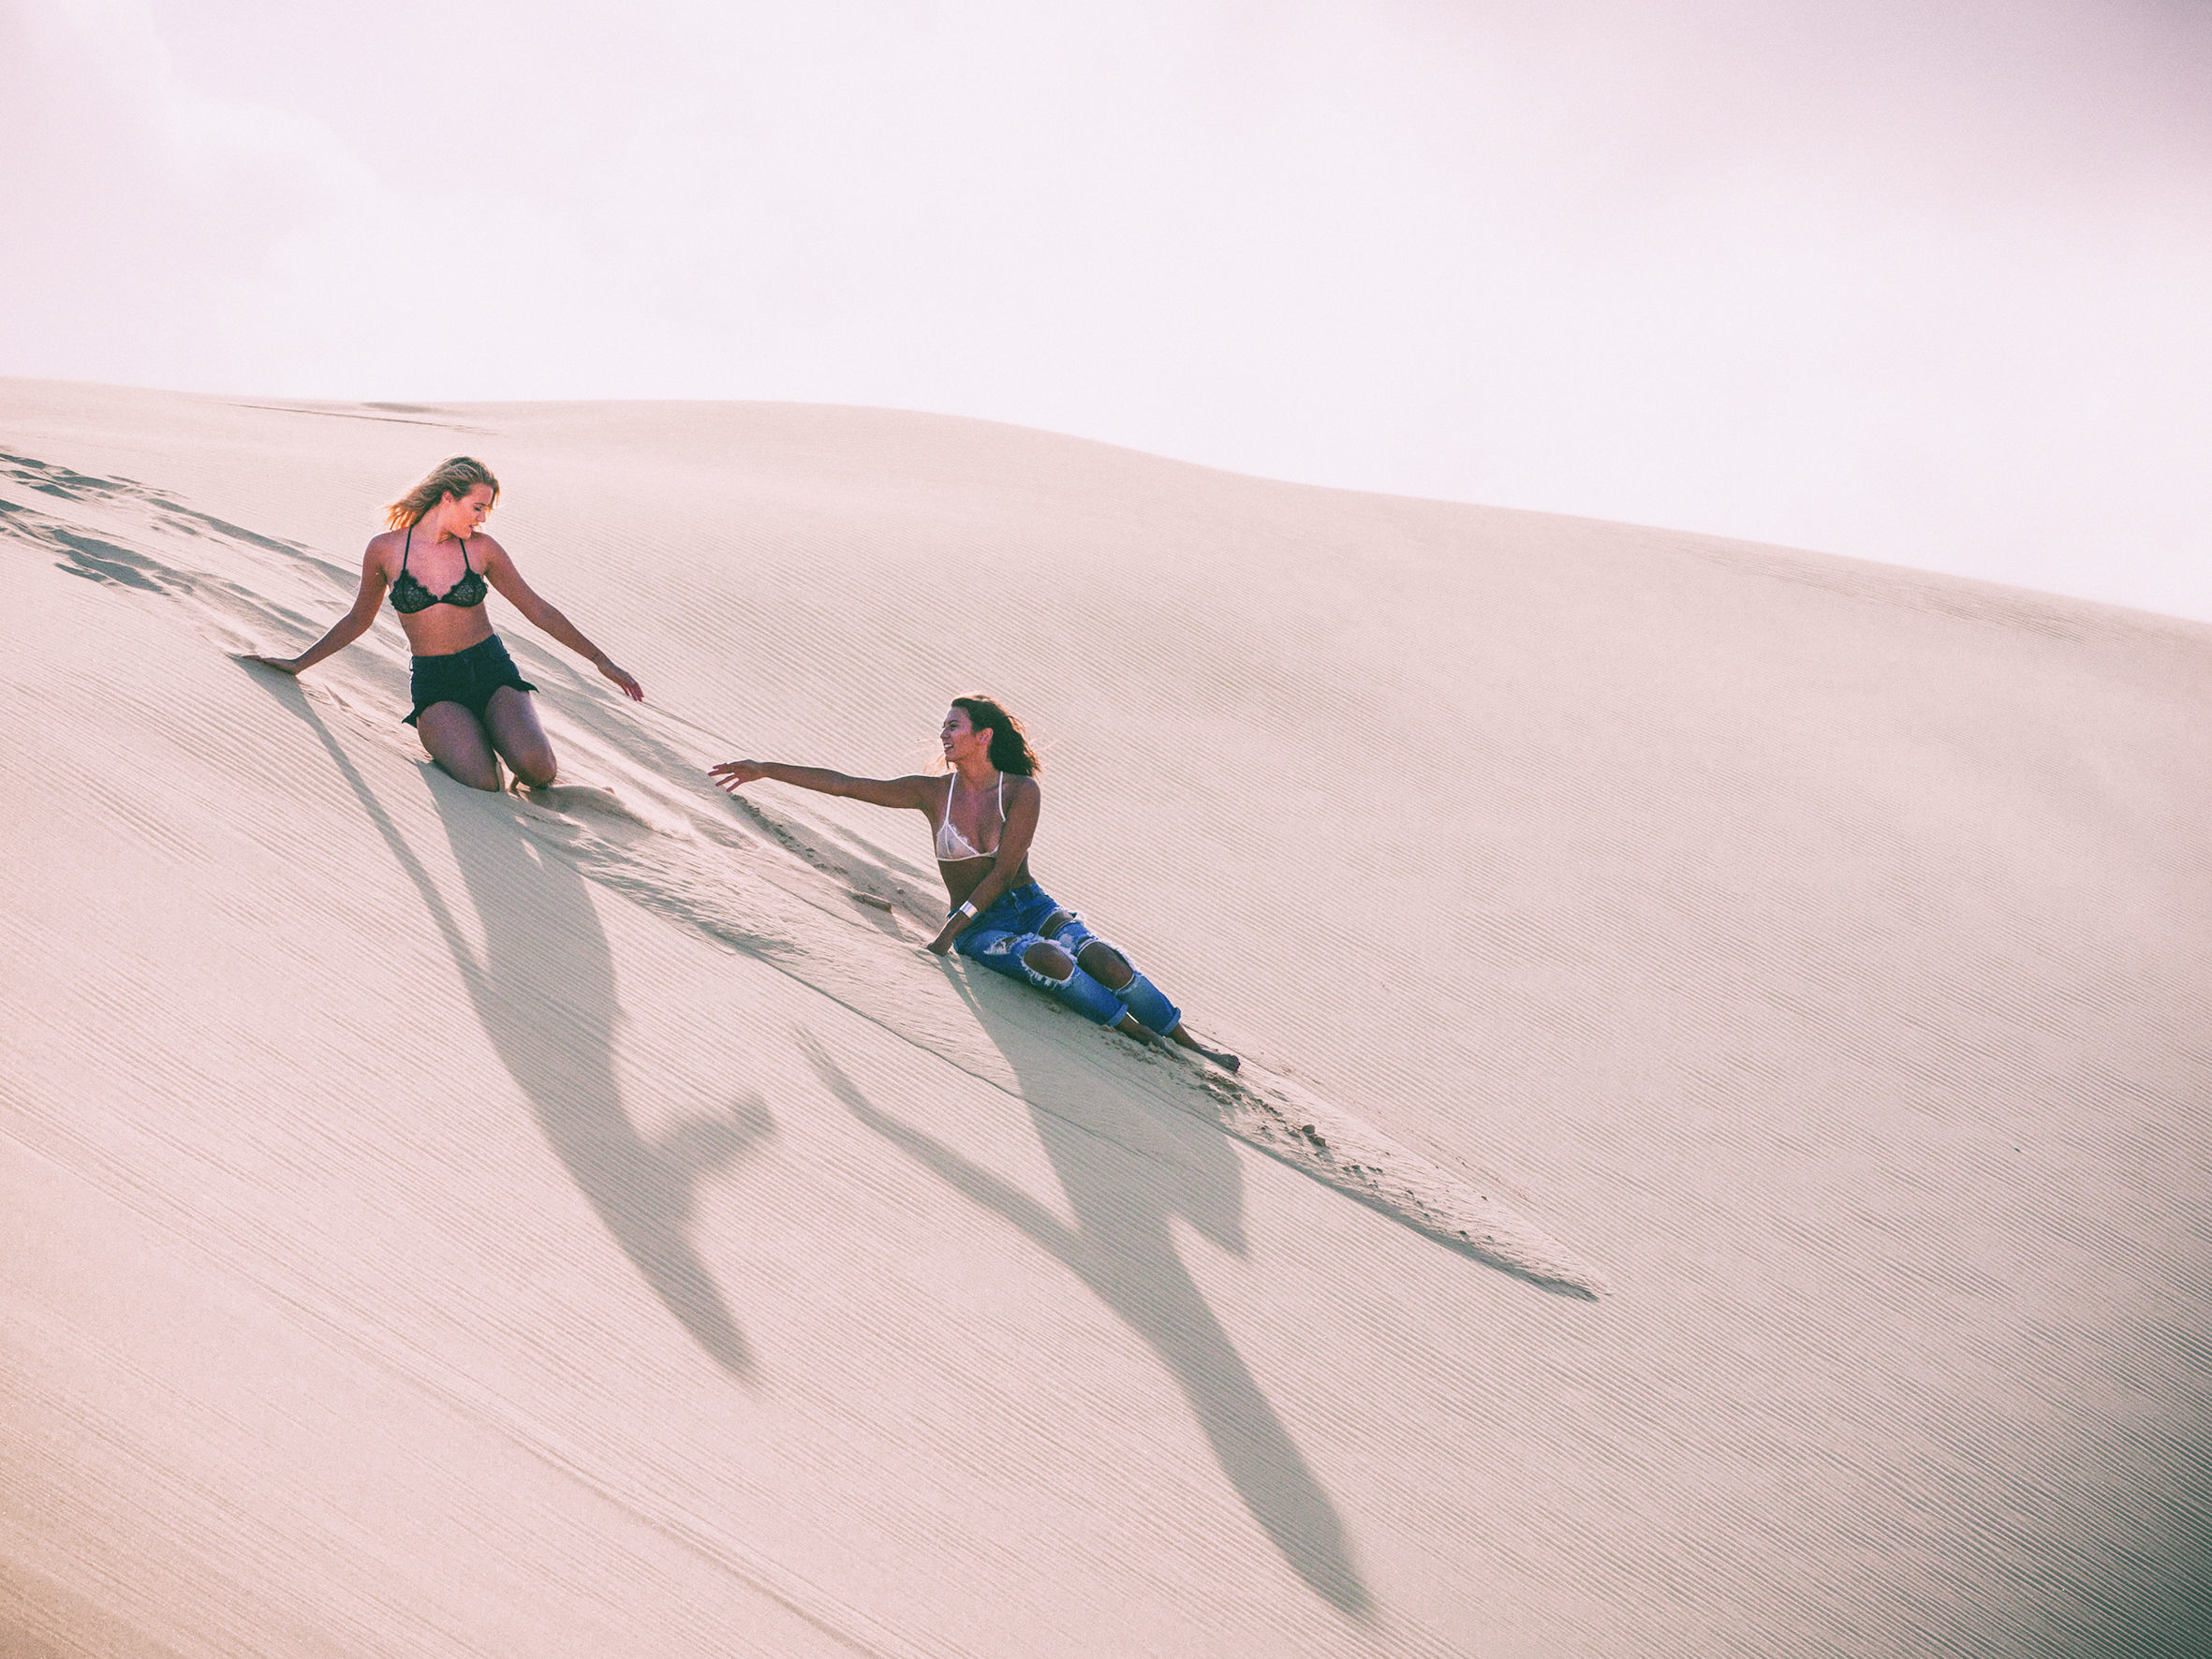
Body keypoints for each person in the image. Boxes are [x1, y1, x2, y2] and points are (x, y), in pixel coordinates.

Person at [710, 697, 1238, 1069]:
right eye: (943, 727)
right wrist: (766, 769)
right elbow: (847, 786)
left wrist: (943, 935)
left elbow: (1007, 871)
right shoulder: (930, 794)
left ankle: (1189, 1044)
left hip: (1030, 905)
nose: (943, 734)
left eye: (953, 726)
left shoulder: (1021, 791)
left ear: (983, 736)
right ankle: (1135, 1032)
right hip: (982, 928)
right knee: (1048, 960)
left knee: (1102, 959)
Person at [249, 457, 641, 789]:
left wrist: (599, 660)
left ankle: (509, 741)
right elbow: (357, 619)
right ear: (447, 497)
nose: (483, 518)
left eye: (487, 510)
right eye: (477, 507)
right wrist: (299, 663)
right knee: (485, 785)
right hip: (436, 683)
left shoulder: (482, 550)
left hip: (491, 670)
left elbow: (539, 610)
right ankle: (472, 739)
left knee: (538, 771)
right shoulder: (385, 550)